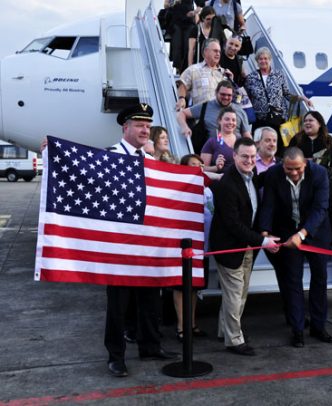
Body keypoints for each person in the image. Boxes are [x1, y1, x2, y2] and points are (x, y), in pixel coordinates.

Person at [104, 104, 178, 378]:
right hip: (121, 245)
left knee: (150, 299)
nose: (145, 130)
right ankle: (115, 356)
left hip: (148, 242)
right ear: (125, 128)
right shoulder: (110, 156)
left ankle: (151, 345)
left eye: (148, 126)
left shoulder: (150, 162)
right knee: (118, 305)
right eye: (139, 125)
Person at [259, 147, 332, 348]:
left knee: (320, 279)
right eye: (289, 169)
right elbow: (268, 204)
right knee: (293, 281)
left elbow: (321, 208)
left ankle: (319, 327)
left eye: (298, 169)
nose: (294, 173)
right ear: (282, 164)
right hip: (286, 230)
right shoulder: (274, 174)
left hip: (316, 233)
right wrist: (265, 233)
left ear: (305, 164)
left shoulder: (319, 174)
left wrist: (302, 234)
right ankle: (297, 330)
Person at [210, 137, 279, 356]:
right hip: (229, 246)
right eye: (244, 157)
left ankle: (227, 330)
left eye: (252, 156)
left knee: (239, 294)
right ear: (234, 156)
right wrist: (263, 241)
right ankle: (234, 340)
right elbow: (233, 225)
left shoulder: (252, 176)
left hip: (247, 245)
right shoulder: (227, 185)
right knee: (234, 294)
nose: (249, 161)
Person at [171, 154, 210, 342]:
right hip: (184, 245)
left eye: (200, 164)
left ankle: (192, 324)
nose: (198, 167)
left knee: (195, 288)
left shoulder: (206, 186)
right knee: (181, 287)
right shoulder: (178, 188)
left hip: (202, 244)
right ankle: (181, 327)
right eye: (193, 165)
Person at [288, 111, 332, 244]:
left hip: (325, 184)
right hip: (302, 184)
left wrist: (328, 173)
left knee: (328, 211)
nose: (307, 123)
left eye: (310, 120)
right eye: (305, 121)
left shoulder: (329, 141)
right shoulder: (297, 140)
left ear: (319, 124)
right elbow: (287, 159)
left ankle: (331, 241)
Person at [245, 47, 312, 142]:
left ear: (270, 60)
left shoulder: (279, 75)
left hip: (278, 119)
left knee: (279, 147)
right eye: (260, 59)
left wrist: (303, 98)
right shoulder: (251, 78)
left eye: (265, 58)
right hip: (260, 120)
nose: (263, 61)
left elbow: (287, 94)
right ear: (257, 61)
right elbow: (248, 98)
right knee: (259, 146)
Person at [177, 80, 251, 142]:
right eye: (223, 94)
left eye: (229, 95)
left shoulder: (240, 111)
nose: (226, 97)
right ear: (216, 93)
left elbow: (246, 135)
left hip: (236, 152)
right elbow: (182, 113)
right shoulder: (205, 106)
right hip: (211, 152)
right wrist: (184, 127)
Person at [176, 38, 231, 110]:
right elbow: (182, 84)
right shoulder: (193, 69)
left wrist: (231, 81)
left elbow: (231, 96)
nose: (218, 54)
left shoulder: (224, 73)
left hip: (222, 117)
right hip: (202, 116)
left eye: (219, 52)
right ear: (205, 51)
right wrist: (181, 98)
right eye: (215, 51)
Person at [200, 106, 238, 173]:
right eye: (227, 119)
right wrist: (216, 167)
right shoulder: (212, 142)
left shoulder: (241, 141)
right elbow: (202, 168)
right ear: (219, 121)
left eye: (233, 120)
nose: (231, 122)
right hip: (220, 181)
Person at [166, 0, 196, 74]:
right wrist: (174, 2)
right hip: (176, 22)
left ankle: (187, 69)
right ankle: (178, 69)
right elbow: (166, 5)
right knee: (177, 45)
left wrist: (194, 12)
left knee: (188, 46)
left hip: (188, 22)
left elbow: (201, 5)